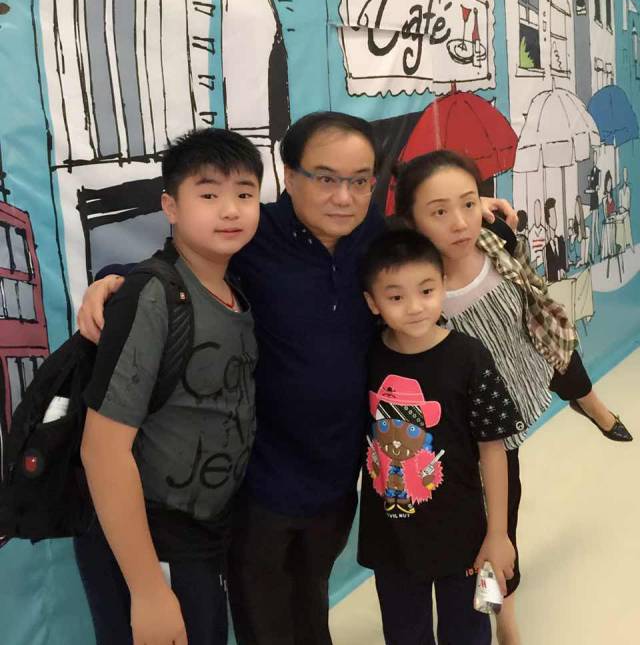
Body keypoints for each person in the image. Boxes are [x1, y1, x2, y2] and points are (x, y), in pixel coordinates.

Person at [76, 113, 519, 645]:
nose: (344, 197)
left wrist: (482, 210)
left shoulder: (375, 239)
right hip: (260, 487)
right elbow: (189, 262)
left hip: (337, 483)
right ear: (289, 175)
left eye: (360, 181)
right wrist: (113, 281)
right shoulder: (255, 234)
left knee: (312, 614)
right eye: (326, 178)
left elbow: (439, 238)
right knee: (266, 627)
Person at [394, 150, 632, 645]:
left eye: (467, 204)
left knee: (563, 359)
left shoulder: (493, 237)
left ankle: (592, 407)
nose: (458, 223)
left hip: (526, 359)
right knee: (495, 524)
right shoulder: (416, 287)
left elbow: (522, 273)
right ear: (410, 223)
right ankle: (502, 609)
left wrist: (481, 208)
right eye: (438, 212)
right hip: (483, 425)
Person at [75, 128, 263, 645]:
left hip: (203, 536)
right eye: (209, 194)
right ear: (170, 206)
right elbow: (102, 451)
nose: (230, 210)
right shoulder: (154, 295)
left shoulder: (235, 287)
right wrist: (147, 590)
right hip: (151, 541)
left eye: (245, 193)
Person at [357, 228, 522, 645]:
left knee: (469, 630)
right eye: (396, 297)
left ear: (444, 284)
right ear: (372, 302)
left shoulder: (469, 357)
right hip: (391, 537)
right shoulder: (367, 357)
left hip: (464, 536)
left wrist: (498, 533)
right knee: (403, 634)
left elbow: (494, 449)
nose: (415, 307)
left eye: (427, 290)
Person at [543, 197, 567, 282]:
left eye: (555, 215)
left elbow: (565, 264)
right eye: (552, 217)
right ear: (547, 220)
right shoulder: (546, 248)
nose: (555, 219)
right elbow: (548, 272)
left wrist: (562, 270)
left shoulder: (561, 242)